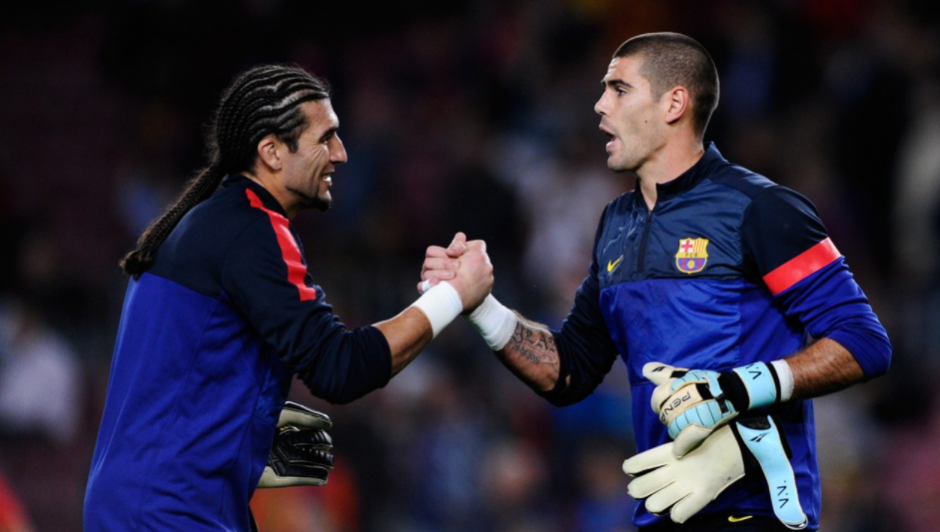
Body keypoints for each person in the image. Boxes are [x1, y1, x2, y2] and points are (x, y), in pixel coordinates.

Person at [422, 32, 891, 531]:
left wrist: (736, 388)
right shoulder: (615, 225)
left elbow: (863, 341)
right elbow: (570, 370)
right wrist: (482, 307)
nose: (600, 105)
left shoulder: (761, 208)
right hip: (665, 508)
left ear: (674, 103)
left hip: (758, 513)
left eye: (619, 89)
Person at [83, 64, 493, 532]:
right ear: (272, 152)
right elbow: (339, 368)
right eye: (325, 138)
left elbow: (183, 389)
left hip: (143, 505)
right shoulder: (252, 231)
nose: (340, 153)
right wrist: (452, 296)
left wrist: (266, 438)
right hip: (170, 512)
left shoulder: (210, 225)